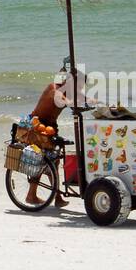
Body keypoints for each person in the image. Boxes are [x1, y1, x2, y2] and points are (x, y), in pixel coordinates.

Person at [24, 63, 101, 208]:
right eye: (78, 85)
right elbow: (62, 99)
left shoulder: (69, 91)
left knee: (55, 161)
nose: (79, 89)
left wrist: (96, 101)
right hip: (38, 126)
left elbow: (83, 98)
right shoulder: (54, 88)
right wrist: (72, 102)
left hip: (51, 127)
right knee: (40, 160)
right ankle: (32, 195)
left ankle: (56, 196)